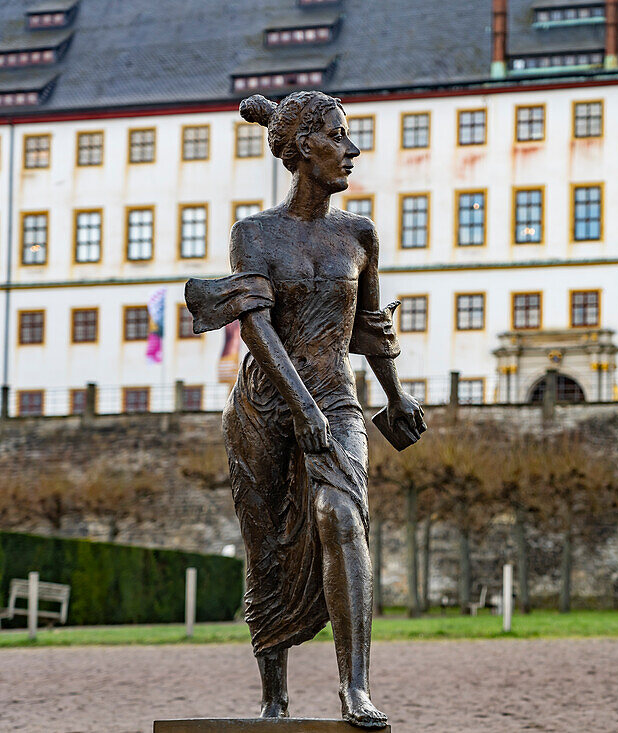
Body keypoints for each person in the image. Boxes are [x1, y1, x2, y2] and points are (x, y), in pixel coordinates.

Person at [185, 90, 425, 728]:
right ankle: (274, 696)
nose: (352, 151)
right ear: (300, 148)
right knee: (266, 542)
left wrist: (396, 396)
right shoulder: (254, 234)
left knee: (339, 512)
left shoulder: (359, 235)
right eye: (338, 138)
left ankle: (355, 687)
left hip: (335, 397)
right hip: (265, 407)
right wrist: (301, 411)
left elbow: (369, 327)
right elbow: (256, 331)